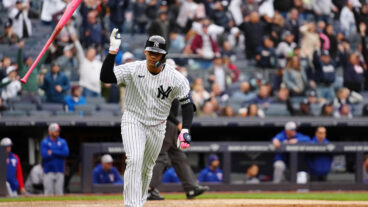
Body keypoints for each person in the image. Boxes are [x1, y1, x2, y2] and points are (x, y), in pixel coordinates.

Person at [100, 30, 195, 207]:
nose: (153, 57)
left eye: (157, 54)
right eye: (151, 52)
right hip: (133, 120)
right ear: (145, 52)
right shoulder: (134, 68)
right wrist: (113, 51)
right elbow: (106, 77)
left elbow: (188, 104)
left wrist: (186, 129)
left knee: (147, 168)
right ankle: (131, 204)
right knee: (134, 160)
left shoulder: (176, 78)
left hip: (158, 126)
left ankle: (140, 201)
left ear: (164, 55)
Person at [148, 99, 208, 200]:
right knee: (161, 155)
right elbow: (163, 110)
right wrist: (177, 123)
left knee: (178, 156)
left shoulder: (173, 86)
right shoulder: (165, 85)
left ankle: (191, 188)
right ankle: (148, 189)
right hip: (164, 122)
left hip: (168, 123)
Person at [17, 40, 48, 109]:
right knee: (23, 108)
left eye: (31, 59)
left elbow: (42, 59)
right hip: (25, 93)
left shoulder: (35, 68)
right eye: (29, 59)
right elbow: (19, 59)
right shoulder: (22, 69)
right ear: (26, 61)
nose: (31, 60)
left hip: (34, 92)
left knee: (40, 107)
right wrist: (20, 49)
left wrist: (47, 51)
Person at [41, 123, 69, 195]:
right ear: (50, 132)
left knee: (59, 193)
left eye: (58, 131)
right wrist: (59, 153)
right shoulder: (45, 142)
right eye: (55, 131)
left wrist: (52, 152)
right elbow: (45, 155)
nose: (57, 133)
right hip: (48, 171)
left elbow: (66, 153)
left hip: (60, 170)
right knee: (48, 193)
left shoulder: (62, 141)